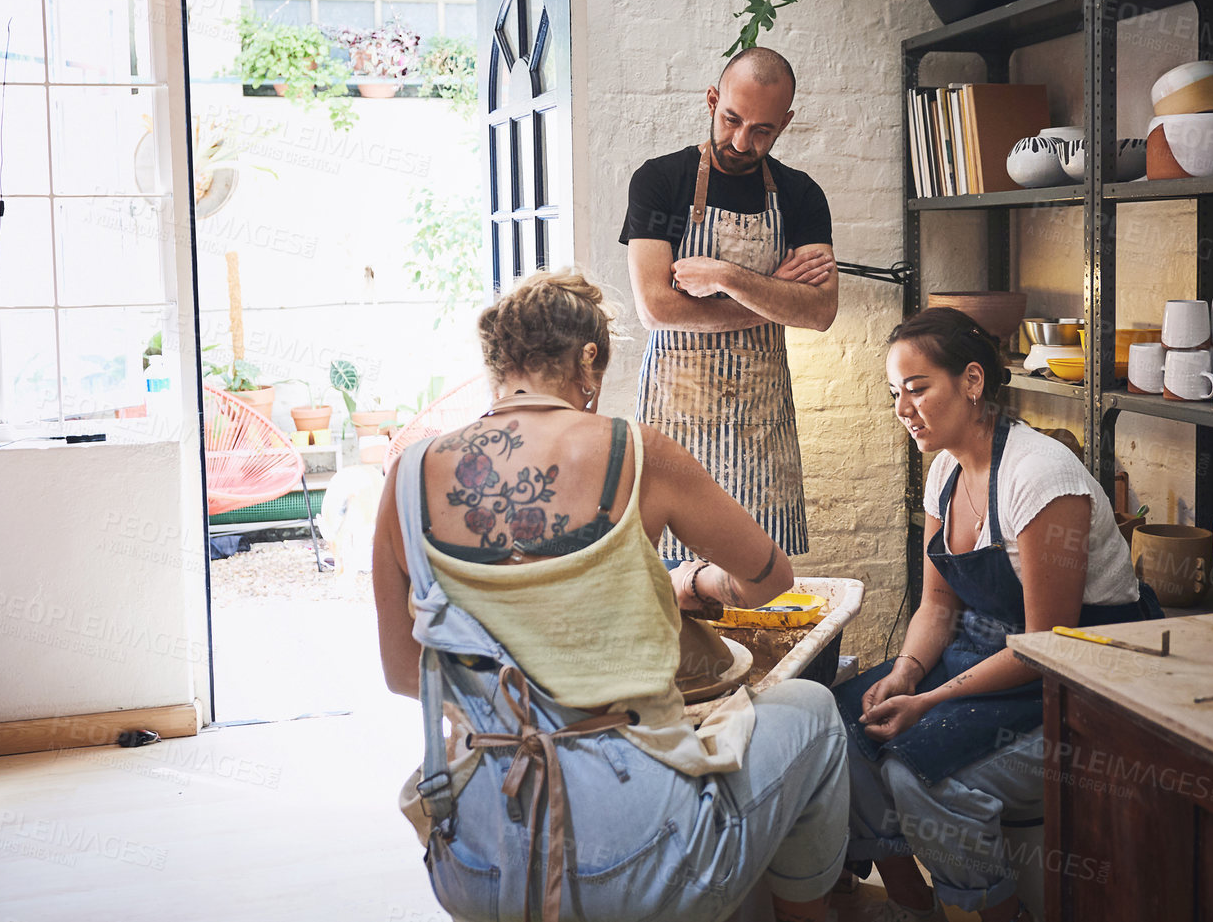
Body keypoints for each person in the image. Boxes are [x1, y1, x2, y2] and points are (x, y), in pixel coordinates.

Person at [373, 270, 849, 922]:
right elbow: (770, 578)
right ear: (588, 361)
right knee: (815, 713)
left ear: (499, 364)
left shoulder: (406, 475)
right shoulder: (636, 447)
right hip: (634, 852)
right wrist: (696, 583)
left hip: (479, 860)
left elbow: (405, 674)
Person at [832, 308, 1162, 922]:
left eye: (918, 388)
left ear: (973, 382)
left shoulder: (1040, 477)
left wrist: (929, 703)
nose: (903, 408)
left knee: (917, 771)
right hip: (990, 655)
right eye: (894, 393)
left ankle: (993, 912)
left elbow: (1046, 644)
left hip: (1079, 676)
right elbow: (936, 606)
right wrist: (906, 675)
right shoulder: (945, 472)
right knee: (841, 724)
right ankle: (915, 907)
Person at [620, 46, 836, 560]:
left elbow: (821, 312)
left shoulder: (801, 195)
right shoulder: (659, 182)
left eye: (762, 130)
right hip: (675, 425)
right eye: (731, 119)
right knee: (671, 591)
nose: (741, 141)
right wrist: (771, 293)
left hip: (762, 433)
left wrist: (725, 276)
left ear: (784, 124)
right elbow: (656, 308)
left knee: (761, 594)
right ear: (712, 100)